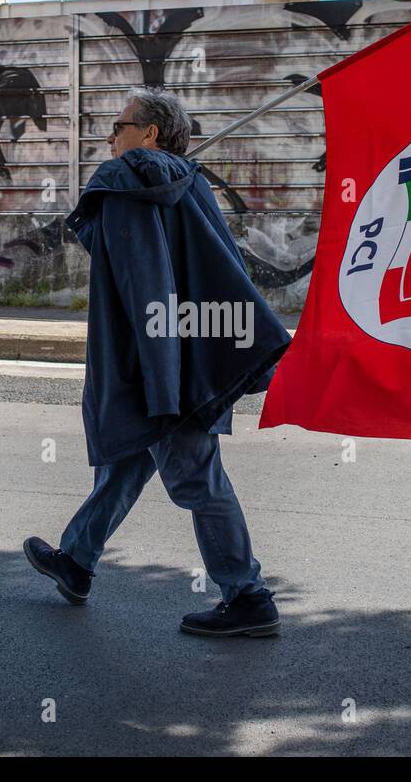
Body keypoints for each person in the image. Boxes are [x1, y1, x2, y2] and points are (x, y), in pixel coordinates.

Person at [23, 88, 292, 637]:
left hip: (160, 362)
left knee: (197, 477)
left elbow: (137, 275)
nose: (110, 139)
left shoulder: (128, 181)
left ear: (148, 133)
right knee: (128, 456)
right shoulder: (189, 184)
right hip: (186, 348)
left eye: (118, 127)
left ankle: (247, 595)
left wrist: (158, 374)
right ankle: (77, 560)